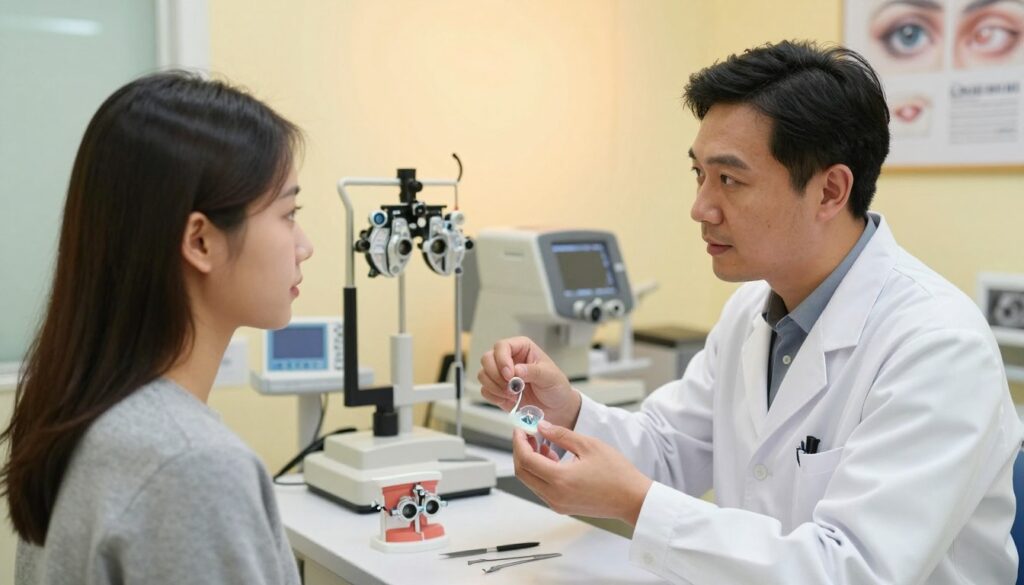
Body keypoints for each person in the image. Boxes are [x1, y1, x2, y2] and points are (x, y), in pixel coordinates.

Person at [478, 41, 1022, 584]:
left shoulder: (938, 346)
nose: (701, 208)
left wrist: (638, 505)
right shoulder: (750, 311)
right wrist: (567, 411)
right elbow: (670, 448)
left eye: (730, 180)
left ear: (830, 191)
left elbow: (850, 570)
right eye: (699, 174)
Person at [1, 72, 312, 584]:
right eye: (288, 214)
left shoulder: (74, 410)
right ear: (201, 241)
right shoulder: (194, 465)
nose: (304, 246)